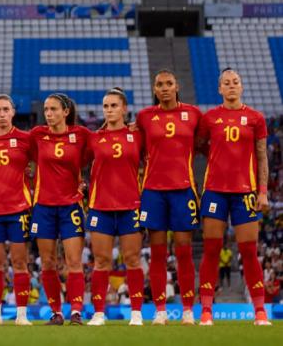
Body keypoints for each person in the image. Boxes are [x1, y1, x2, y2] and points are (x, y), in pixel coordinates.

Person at [197, 68, 271, 326]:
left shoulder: (255, 118)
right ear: (219, 89)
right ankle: (207, 310)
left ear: (241, 87)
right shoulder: (209, 119)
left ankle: (260, 311)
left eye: (235, 82)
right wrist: (216, 158)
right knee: (211, 250)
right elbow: (198, 145)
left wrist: (262, 191)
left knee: (249, 251)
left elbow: (262, 157)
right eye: (226, 83)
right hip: (215, 190)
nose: (231, 86)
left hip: (245, 193)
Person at [136, 70, 202, 325]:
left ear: (177, 87)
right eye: (160, 84)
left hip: (184, 190)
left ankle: (187, 311)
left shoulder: (194, 114)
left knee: (184, 252)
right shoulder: (144, 117)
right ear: (154, 89)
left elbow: (208, 142)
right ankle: (160, 311)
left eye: (169, 84)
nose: (164, 88)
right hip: (153, 191)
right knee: (158, 253)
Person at [86, 87, 145, 326]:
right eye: (106, 106)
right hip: (100, 206)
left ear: (124, 109)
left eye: (114, 105)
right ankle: (99, 313)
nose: (109, 110)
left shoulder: (138, 135)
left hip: (130, 205)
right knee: (101, 262)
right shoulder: (93, 138)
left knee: (132, 259)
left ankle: (137, 313)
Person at [30, 93, 89, 325]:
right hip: (43, 207)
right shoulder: (37, 135)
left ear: (65, 112)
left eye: (54, 109)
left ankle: (75, 311)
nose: (49, 114)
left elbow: (100, 151)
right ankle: (56, 313)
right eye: (46, 109)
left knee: (74, 261)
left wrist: (84, 183)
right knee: (47, 263)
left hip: (70, 207)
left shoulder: (81, 135)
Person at [0, 94, 33, 326]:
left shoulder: (26, 139)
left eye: (5, 110)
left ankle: (22, 315)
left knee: (20, 262)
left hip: (19, 209)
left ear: (13, 112)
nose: (1, 114)